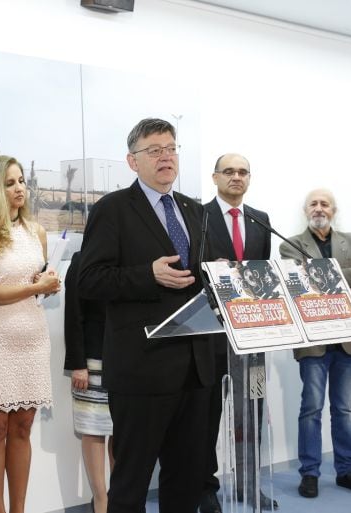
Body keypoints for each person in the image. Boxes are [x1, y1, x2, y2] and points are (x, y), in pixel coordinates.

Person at [79, 118, 214, 513]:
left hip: (195, 366)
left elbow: (197, 274)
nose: (165, 157)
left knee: (186, 479)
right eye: (154, 150)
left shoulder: (193, 209)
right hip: (142, 368)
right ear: (132, 161)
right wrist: (147, 275)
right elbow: (89, 280)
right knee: (131, 482)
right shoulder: (113, 209)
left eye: (171, 148)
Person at [0, 155, 61, 513]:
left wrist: (47, 286)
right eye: (9, 183)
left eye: (21, 181)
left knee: (22, 425)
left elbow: (36, 284)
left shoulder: (36, 231)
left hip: (31, 336)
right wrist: (31, 287)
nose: (19, 188)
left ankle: (18, 510)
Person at [279, 188, 351, 498]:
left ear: (333, 210)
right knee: (311, 409)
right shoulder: (290, 245)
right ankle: (309, 473)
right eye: (313, 203)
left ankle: (346, 470)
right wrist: (343, 277)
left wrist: (325, 275)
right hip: (313, 342)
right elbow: (299, 281)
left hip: (349, 340)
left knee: (344, 409)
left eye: (325, 204)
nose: (319, 208)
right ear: (306, 210)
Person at [201, 153, 276, 512]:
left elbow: (263, 276)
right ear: (215, 177)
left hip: (251, 337)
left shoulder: (261, 220)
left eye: (243, 172)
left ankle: (250, 483)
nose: (236, 177)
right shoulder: (199, 217)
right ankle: (205, 489)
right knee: (207, 416)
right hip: (210, 335)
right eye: (228, 171)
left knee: (252, 413)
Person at [64, 250, 114, 513]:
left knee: (123, 432)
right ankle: (101, 500)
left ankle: (119, 496)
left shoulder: (130, 258)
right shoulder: (82, 259)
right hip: (92, 360)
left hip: (127, 360)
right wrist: (78, 364)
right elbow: (73, 314)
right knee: (94, 428)